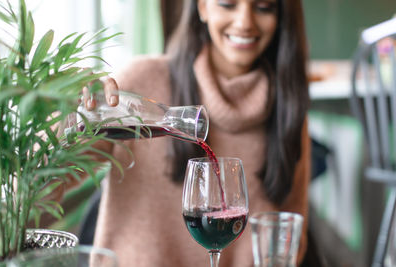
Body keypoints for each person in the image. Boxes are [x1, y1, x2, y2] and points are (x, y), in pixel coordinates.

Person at [81, 0, 311, 266]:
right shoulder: (140, 82)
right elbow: (50, 186)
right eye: (228, 4)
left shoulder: (288, 111)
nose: (245, 22)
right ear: (202, 7)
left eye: (264, 7)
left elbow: (292, 240)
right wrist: (66, 116)